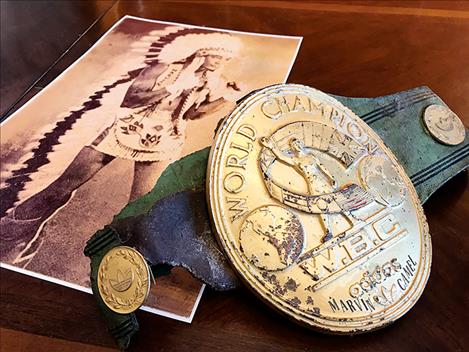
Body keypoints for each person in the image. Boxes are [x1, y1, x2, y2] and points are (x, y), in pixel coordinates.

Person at [1, 31, 242, 264]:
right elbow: (132, 99)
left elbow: (191, 114)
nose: (220, 62)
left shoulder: (210, 81)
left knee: (140, 205)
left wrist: (223, 99)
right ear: (203, 52)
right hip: (126, 127)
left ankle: (119, 261)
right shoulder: (167, 68)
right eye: (217, 56)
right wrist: (173, 87)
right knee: (63, 186)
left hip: (165, 138)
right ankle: (10, 234)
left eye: (225, 59)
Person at [260, 136, 337, 242]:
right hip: (313, 184)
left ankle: (351, 217)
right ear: (292, 148)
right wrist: (271, 147)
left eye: (298, 143)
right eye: (294, 145)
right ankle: (329, 231)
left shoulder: (311, 156)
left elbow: (322, 167)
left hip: (322, 181)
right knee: (321, 206)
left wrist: (331, 178)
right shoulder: (295, 160)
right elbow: (282, 157)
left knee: (335, 199)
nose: (297, 145)